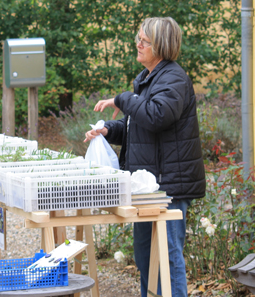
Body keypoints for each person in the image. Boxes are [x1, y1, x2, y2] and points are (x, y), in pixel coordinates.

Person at [84, 17, 205, 297]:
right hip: (149, 187)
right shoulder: (149, 79)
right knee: (146, 256)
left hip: (168, 187)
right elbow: (137, 127)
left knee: (167, 257)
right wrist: (107, 130)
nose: (137, 44)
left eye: (145, 41)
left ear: (160, 46)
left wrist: (123, 98)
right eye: (138, 37)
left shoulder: (173, 77)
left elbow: (156, 116)